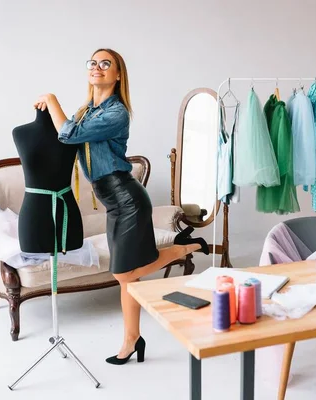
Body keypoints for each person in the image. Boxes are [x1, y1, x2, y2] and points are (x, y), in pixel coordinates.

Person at [33, 48, 209, 365]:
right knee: (127, 278)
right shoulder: (86, 110)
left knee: (122, 272)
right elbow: (63, 133)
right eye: (93, 63)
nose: (97, 67)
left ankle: (187, 247)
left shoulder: (117, 114)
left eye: (105, 64)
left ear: (117, 75)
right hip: (113, 202)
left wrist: (51, 98)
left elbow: (68, 134)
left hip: (127, 198)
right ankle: (132, 339)